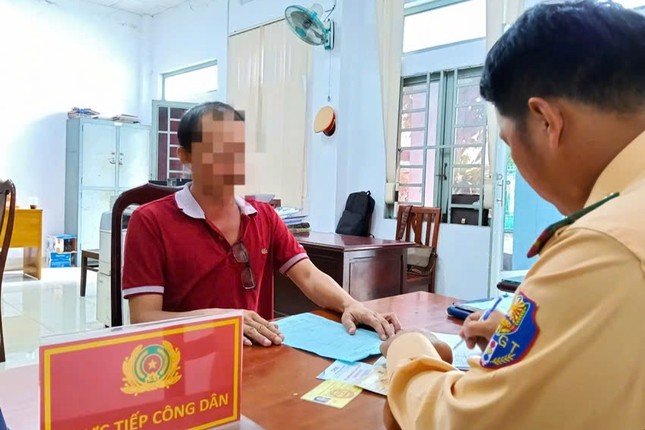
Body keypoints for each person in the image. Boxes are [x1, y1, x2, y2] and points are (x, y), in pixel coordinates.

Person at [381, 2, 645, 429]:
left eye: (506, 142)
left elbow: (461, 422)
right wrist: (543, 334)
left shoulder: (605, 245)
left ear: (545, 121)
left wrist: (408, 352)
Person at [122, 101, 401, 346]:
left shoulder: (263, 216)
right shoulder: (150, 221)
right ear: (185, 156)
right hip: (183, 360)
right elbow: (144, 318)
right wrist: (222, 320)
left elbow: (309, 276)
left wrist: (350, 304)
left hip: (257, 355)